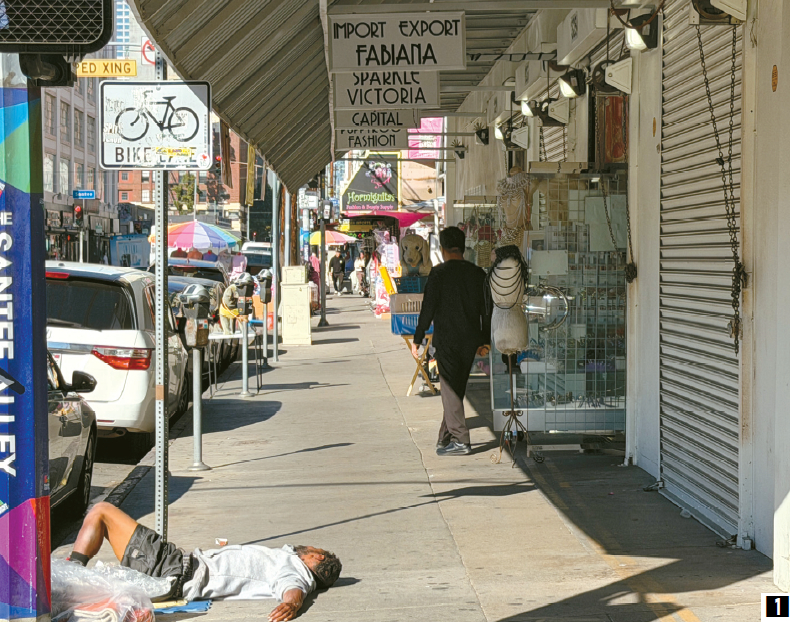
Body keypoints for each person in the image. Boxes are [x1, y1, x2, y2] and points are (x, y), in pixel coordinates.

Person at [66, 502, 341, 622]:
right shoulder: (288, 562)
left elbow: (293, 588)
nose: (308, 547)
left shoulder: (296, 571)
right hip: (179, 570)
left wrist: (292, 603)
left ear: (317, 557)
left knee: (102, 511)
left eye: (314, 548)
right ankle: (70, 580)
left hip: (176, 570)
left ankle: (70, 573)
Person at [412, 227, 491, 456]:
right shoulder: (478, 274)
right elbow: (487, 311)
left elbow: (427, 309)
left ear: (443, 249)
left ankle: (461, 440)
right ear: (463, 247)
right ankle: (445, 437)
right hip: (469, 340)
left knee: (450, 390)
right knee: (455, 388)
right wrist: (484, 339)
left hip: (446, 340)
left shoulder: (438, 274)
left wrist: (417, 338)